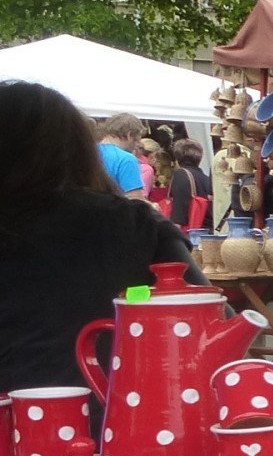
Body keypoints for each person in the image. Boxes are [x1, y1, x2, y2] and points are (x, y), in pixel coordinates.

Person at [0, 82, 197, 394]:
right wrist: (131, 298)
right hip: (118, 418)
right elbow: (210, 318)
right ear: (79, 150)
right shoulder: (136, 223)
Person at [96, 113, 148, 199]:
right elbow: (135, 200)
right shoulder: (127, 159)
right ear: (129, 135)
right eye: (137, 140)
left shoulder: (89, 151)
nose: (136, 145)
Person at [167, 140, 211, 231]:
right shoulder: (206, 178)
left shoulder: (181, 174)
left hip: (190, 233)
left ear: (177, 158)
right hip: (206, 231)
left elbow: (178, 214)